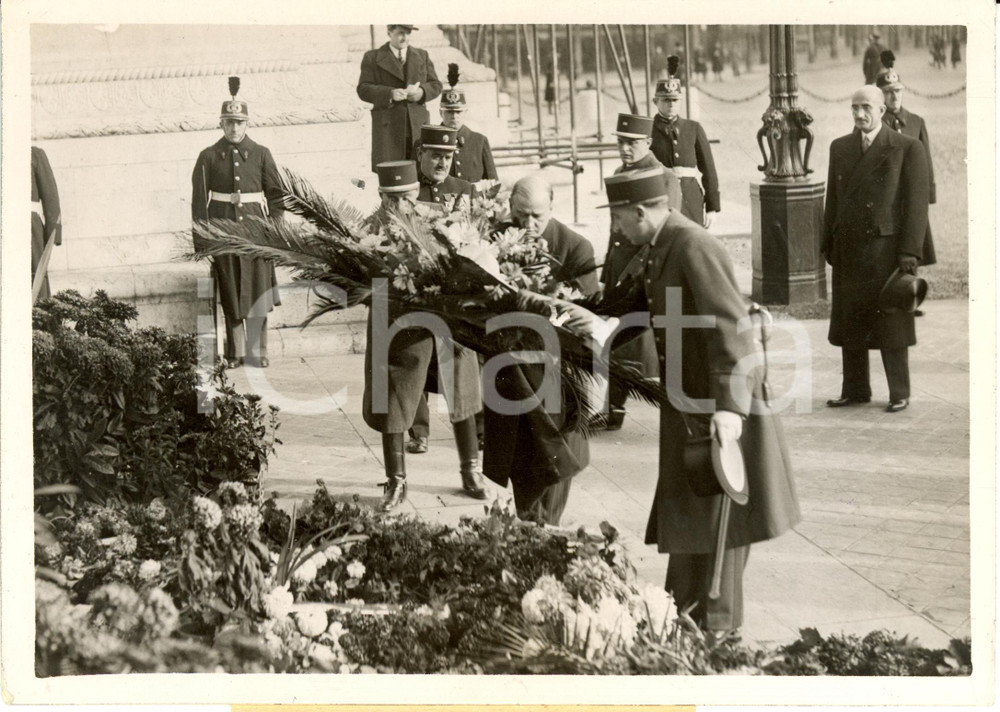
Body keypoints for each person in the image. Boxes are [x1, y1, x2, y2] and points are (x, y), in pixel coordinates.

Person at [597, 168, 800, 641]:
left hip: (721, 413)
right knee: (692, 526)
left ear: (642, 211)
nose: (615, 228)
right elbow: (640, 310)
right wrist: (584, 318)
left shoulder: (692, 244)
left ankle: (716, 635)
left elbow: (732, 327)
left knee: (717, 531)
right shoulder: (661, 246)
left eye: (618, 217)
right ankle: (684, 621)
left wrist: (729, 411)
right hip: (692, 411)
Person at [362, 159, 488, 511]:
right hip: (397, 325)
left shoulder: (438, 222)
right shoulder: (370, 229)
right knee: (393, 398)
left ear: (415, 193)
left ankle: (470, 470)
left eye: (404, 198)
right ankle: (396, 481)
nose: (398, 206)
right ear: (381, 196)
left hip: (445, 322)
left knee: (462, 388)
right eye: (391, 199)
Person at [482, 174, 599, 526]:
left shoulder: (575, 247)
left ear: (552, 207)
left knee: (554, 458)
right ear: (509, 209)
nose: (529, 224)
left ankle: (546, 530)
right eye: (521, 215)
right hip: (508, 373)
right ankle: (529, 526)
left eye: (537, 215)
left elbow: (588, 315)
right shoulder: (493, 241)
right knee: (517, 456)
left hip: (557, 375)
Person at [822, 85, 930, 413]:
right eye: (854, 107)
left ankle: (900, 392)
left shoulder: (906, 148)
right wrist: (828, 242)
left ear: (882, 110)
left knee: (891, 324)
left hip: (887, 253)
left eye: (866, 107)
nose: (859, 114)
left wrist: (909, 252)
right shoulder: (839, 147)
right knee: (851, 322)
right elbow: (834, 201)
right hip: (849, 251)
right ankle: (854, 389)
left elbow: (916, 205)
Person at [595, 113, 681, 431]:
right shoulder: (620, 172)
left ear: (647, 142)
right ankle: (613, 410)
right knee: (617, 342)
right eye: (620, 142)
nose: (624, 149)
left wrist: (634, 273)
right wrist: (609, 271)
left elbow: (662, 231)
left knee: (649, 345)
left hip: (645, 273)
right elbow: (616, 227)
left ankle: (676, 408)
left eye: (631, 143)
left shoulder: (665, 177)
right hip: (620, 270)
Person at [192, 77, 283, 369]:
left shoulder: (261, 154)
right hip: (223, 233)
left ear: (247, 124)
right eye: (229, 122)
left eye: (239, 122)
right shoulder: (207, 157)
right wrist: (203, 241)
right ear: (221, 123)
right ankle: (235, 353)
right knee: (230, 294)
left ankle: (258, 352)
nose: (234, 127)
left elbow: (276, 197)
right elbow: (198, 203)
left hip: (256, 234)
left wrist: (274, 233)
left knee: (257, 292)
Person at [404, 125, 476, 455]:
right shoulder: (406, 189)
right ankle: (419, 431)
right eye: (435, 156)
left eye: (447, 157)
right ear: (420, 155)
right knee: (414, 359)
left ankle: (473, 433)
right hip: (417, 288)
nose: (442, 163)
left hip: (453, 293)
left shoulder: (464, 190)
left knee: (461, 361)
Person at [878, 51, 937, 316]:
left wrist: (928, 195)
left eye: (898, 91)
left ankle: (911, 299)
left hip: (912, 198)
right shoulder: (875, 125)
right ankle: (894, 297)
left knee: (912, 246)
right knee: (890, 250)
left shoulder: (915, 122)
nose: (894, 96)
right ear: (880, 94)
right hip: (888, 200)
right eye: (888, 92)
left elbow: (926, 161)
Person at [357, 25, 443, 172]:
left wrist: (422, 92)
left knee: (419, 173)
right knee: (391, 176)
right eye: (400, 33)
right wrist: (389, 94)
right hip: (388, 129)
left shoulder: (422, 55)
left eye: (408, 33)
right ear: (389, 33)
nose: (405, 38)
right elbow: (363, 89)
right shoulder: (372, 57)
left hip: (417, 126)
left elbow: (436, 84)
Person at [650, 57, 721, 229]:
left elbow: (708, 168)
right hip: (661, 196)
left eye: (675, 100)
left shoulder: (693, 128)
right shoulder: (648, 130)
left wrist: (712, 207)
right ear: (656, 102)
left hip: (691, 198)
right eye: (666, 100)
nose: (671, 105)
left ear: (680, 101)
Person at [435, 64, 498, 184]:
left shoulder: (479, 141)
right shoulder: (428, 142)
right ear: (440, 113)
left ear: (465, 112)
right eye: (449, 112)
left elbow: (492, 183)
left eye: (458, 112)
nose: (454, 116)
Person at [31, 146, 62, 301]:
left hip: (29, 230)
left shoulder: (34, 155)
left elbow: (51, 199)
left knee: (35, 280)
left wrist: (52, 236)